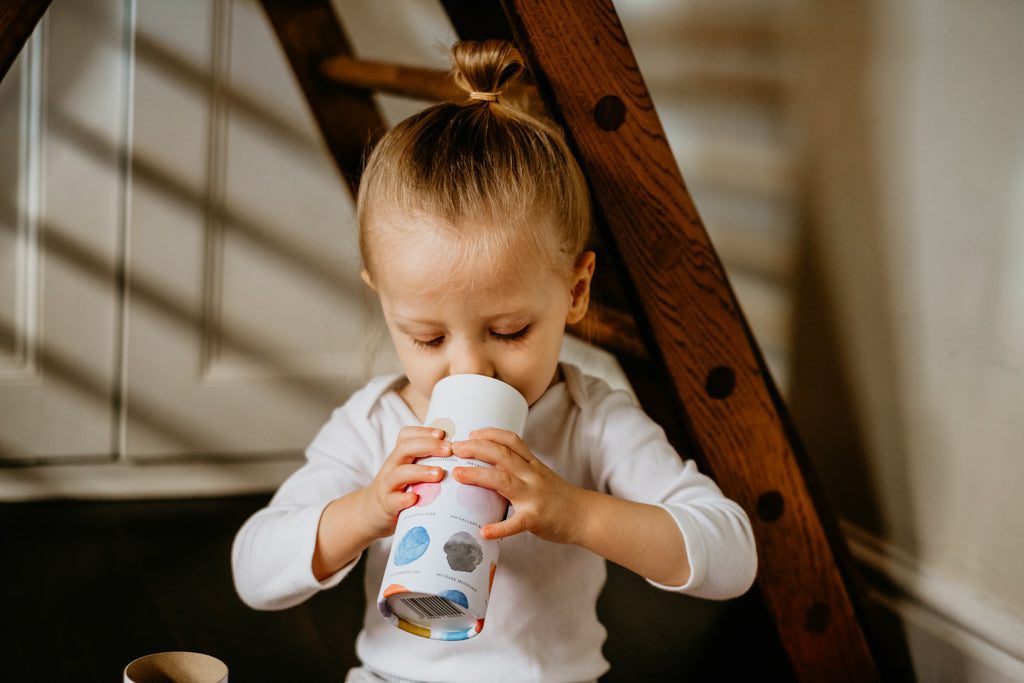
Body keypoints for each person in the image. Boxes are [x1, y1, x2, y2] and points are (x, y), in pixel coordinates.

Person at [232, 39, 757, 683]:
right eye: (427, 338)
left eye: (509, 331)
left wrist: (579, 513)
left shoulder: (590, 422)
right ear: (383, 300)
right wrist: (366, 511)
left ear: (575, 291)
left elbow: (733, 555)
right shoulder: (375, 426)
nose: (469, 370)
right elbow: (253, 571)